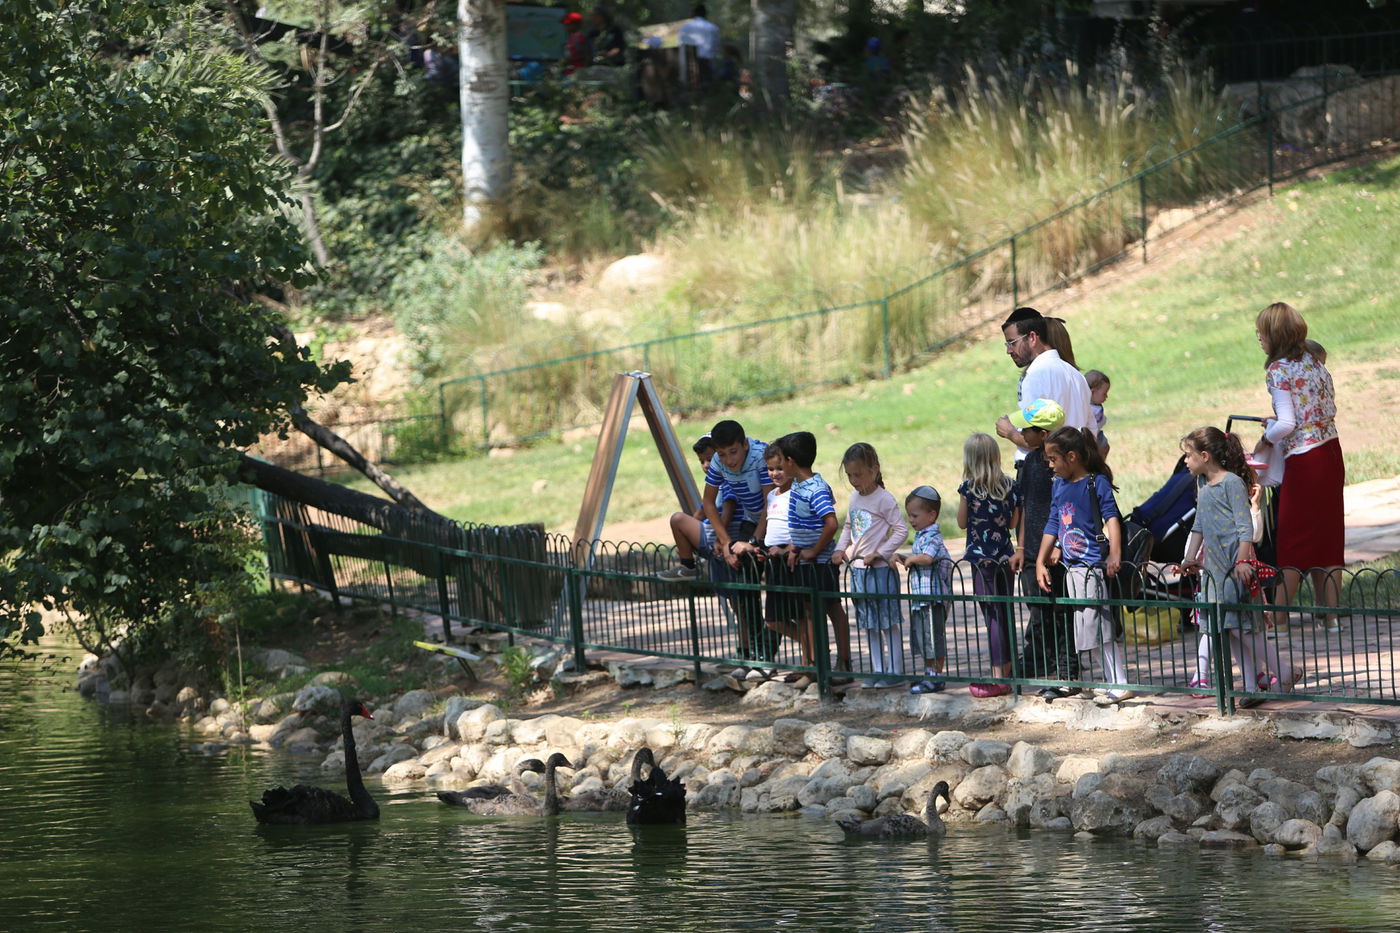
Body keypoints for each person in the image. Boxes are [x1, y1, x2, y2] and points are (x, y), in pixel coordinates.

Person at [1176, 427, 1296, 706]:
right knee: (1227, 629)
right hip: (1213, 571)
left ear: (1204, 456)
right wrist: (1189, 559)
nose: (1185, 461)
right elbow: (1199, 526)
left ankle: (1284, 672)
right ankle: (1252, 685)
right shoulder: (1203, 485)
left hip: (1233, 567)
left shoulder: (1231, 483)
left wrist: (1243, 560)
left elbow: (1244, 527)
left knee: (1243, 628)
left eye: (1188, 455)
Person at [1253, 302, 1344, 632]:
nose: (1258, 338)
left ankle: (1278, 617)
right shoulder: (1313, 362)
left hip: (1305, 458)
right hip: (1331, 450)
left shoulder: (1278, 370)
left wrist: (1264, 437)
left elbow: (1288, 423)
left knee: (1293, 537)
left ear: (1275, 335)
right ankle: (1331, 614)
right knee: (1328, 535)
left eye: (1261, 333)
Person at [1036, 426, 1132, 705]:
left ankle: (1119, 682)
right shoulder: (1059, 485)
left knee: (1100, 624)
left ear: (1072, 457)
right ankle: (1110, 680)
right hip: (1072, 567)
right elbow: (1054, 521)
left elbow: (1111, 518)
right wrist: (1042, 558)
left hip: (1092, 566)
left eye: (1053, 459)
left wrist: (1115, 553)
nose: (1050, 466)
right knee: (1087, 625)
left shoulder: (1095, 483)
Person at [1005, 399, 1080, 699]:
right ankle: (1042, 661)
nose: (1022, 432)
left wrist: (1060, 544)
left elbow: (1064, 510)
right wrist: (1021, 546)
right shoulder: (1031, 463)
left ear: (1044, 434)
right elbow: (1024, 507)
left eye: (1027, 428)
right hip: (1033, 549)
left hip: (1055, 552)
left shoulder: (1061, 470)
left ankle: (1068, 672)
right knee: (1039, 609)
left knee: (1062, 612)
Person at [775, 431, 853, 675]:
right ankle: (814, 664)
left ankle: (844, 662)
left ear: (790, 461)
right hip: (805, 560)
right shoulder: (798, 485)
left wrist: (814, 551)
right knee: (809, 611)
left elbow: (831, 523)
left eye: (780, 460)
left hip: (821, 562)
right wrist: (797, 548)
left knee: (832, 608)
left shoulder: (816, 489)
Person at [832, 443, 908, 687]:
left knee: (888, 621)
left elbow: (901, 530)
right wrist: (840, 549)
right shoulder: (855, 497)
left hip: (881, 571)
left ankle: (895, 671)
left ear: (874, 470)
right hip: (859, 572)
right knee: (870, 624)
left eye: (858, 475)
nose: (854, 481)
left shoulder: (884, 499)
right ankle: (877, 669)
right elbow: (848, 526)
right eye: (850, 476)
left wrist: (881, 553)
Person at [957, 433, 1021, 697]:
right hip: (1005, 556)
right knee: (1005, 613)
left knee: (991, 616)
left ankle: (997, 675)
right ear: (996, 456)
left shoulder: (968, 488)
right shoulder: (1009, 486)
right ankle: (1008, 670)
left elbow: (961, 522)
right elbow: (1014, 523)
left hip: (981, 559)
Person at [734, 445, 804, 664]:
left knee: (801, 616)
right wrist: (762, 549)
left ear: (791, 464)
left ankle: (812, 659)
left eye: (780, 468)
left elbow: (806, 527)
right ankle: (813, 646)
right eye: (770, 469)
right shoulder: (772, 495)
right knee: (774, 620)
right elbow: (771, 527)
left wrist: (789, 548)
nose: (775, 473)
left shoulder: (799, 493)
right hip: (775, 563)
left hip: (792, 560)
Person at [995, 307, 1093, 461]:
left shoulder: (1035, 377)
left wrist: (1009, 432)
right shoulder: (1077, 376)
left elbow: (1035, 442)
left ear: (1032, 337)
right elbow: (1091, 432)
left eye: (1012, 343)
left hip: (1044, 474)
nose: (1009, 351)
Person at [895, 486, 953, 694]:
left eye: (915, 515)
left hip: (933, 598)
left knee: (933, 637)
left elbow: (927, 558)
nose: (911, 520)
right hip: (921, 597)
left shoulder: (933, 537)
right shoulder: (921, 535)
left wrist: (911, 558)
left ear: (931, 515)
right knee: (922, 637)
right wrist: (903, 558)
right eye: (909, 515)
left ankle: (937, 675)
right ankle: (928, 672)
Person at [676, 4, 720, 81]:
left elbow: (680, 44)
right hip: (706, 63)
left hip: (687, 64)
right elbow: (715, 47)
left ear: (693, 14)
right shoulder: (713, 28)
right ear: (705, 14)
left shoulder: (684, 27)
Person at [1084, 369, 1111, 458]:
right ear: (1092, 392)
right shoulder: (1088, 408)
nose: (1106, 397)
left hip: (1097, 434)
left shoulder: (1096, 406)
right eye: (1104, 394)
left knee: (1105, 447)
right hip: (1090, 438)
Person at [560, 11, 588, 76]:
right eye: (565, 24)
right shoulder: (571, 38)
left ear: (576, 24)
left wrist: (568, 60)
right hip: (569, 71)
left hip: (578, 72)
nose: (565, 26)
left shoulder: (580, 38)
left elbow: (585, 55)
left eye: (568, 24)